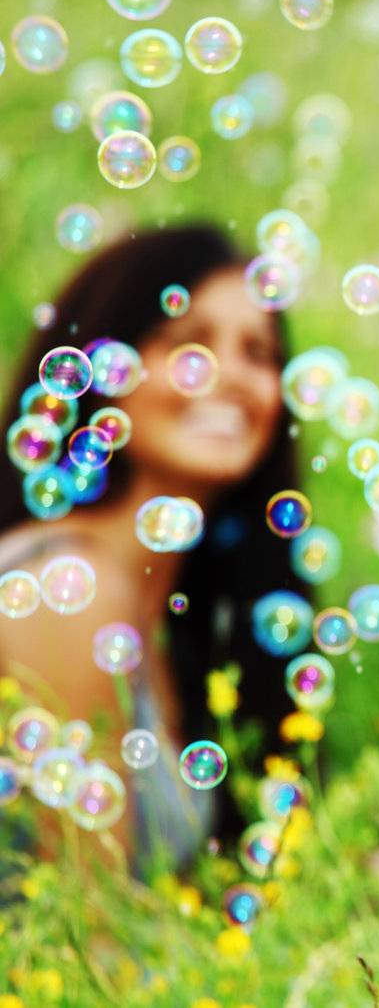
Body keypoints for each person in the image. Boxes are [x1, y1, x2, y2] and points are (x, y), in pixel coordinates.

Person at [0, 224, 305, 878]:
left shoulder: (177, 626)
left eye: (259, 352)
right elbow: (86, 929)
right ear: (107, 369)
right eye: (189, 343)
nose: (230, 377)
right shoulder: (62, 586)